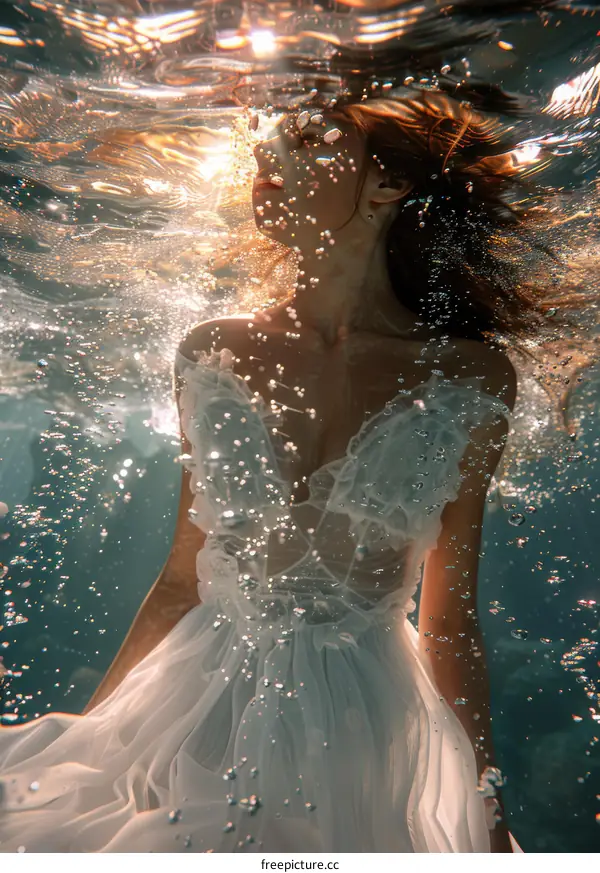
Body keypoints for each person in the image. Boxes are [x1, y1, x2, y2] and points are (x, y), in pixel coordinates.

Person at [5, 85, 571, 853]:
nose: (270, 155)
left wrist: (488, 809)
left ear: (390, 182)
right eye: (273, 139)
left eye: (311, 141)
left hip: (362, 732)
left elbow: (446, 621)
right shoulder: (212, 349)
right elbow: (181, 579)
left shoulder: (471, 378)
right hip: (191, 704)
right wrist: (89, 734)